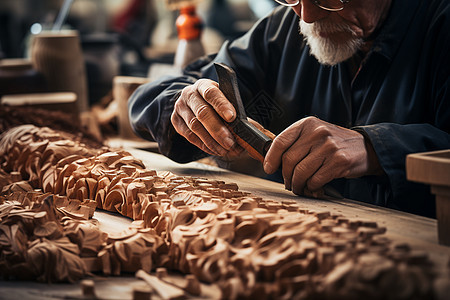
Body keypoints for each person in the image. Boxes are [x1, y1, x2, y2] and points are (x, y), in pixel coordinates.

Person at [128, 0, 450, 218]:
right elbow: (154, 97)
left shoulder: (440, 25)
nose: (306, 17)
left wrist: (376, 148)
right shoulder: (283, 30)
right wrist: (186, 106)